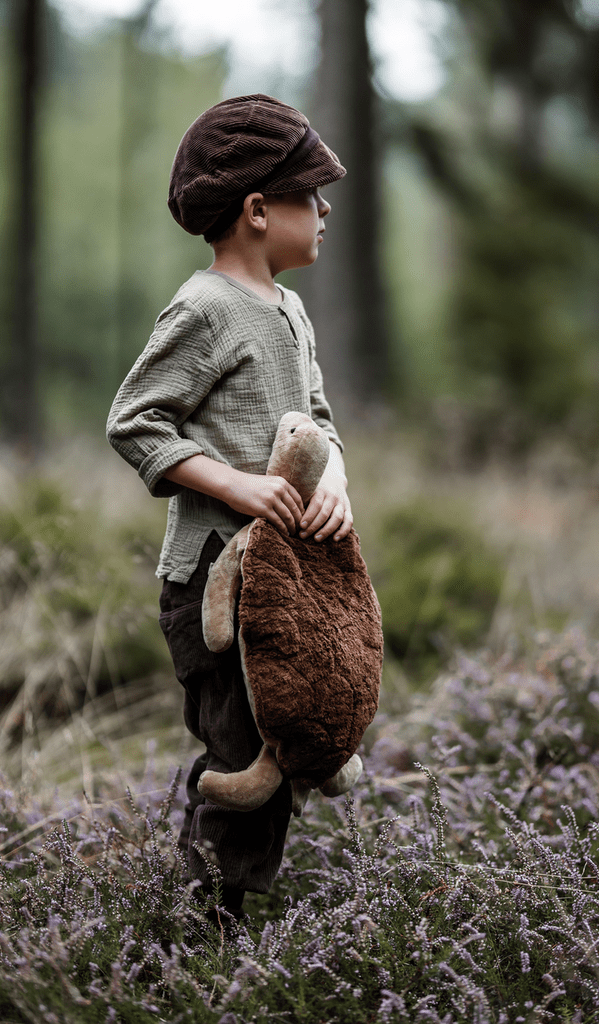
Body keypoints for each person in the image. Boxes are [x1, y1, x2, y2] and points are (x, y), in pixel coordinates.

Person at [107, 94, 351, 921]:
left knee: (289, 736)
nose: (325, 211)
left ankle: (237, 921)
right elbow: (135, 421)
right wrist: (236, 485)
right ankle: (202, 926)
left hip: (288, 580)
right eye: (309, 194)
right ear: (257, 210)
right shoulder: (205, 308)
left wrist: (335, 484)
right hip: (213, 582)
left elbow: (319, 421)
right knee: (240, 752)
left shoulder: (291, 310)